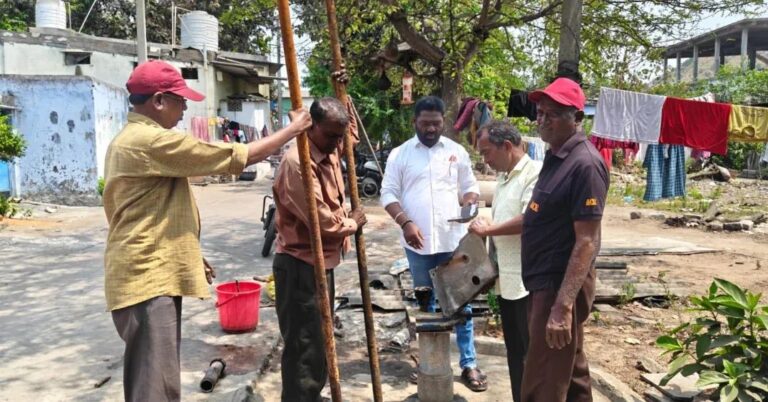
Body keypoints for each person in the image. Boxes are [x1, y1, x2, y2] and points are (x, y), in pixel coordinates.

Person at [103, 60, 311, 402]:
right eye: (179, 100)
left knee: (156, 379)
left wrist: (187, 254)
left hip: (146, 274)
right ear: (158, 100)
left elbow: (148, 214)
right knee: (154, 389)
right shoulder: (149, 141)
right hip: (145, 280)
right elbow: (232, 156)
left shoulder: (132, 140)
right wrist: (291, 131)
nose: (185, 108)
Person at [380, 96, 487, 392]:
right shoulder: (400, 155)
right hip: (417, 246)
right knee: (425, 305)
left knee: (460, 304)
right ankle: (429, 362)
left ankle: (468, 363)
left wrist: (470, 202)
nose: (430, 128)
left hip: (453, 242)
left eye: (436, 123)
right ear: (415, 121)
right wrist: (406, 223)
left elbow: (470, 188)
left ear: (443, 123)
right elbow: (387, 193)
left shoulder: (456, 152)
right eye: (425, 123)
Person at [519, 78, 609, 402]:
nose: (542, 120)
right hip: (544, 282)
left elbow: (587, 241)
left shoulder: (585, 165)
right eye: (540, 113)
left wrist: (561, 306)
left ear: (577, 117)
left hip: (558, 286)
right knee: (571, 375)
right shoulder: (555, 156)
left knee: (543, 381)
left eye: (552, 114)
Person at [272, 96, 366, 402]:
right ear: (311, 126)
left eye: (339, 136)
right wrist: (352, 223)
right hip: (300, 265)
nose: (338, 143)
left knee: (321, 341)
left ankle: (311, 396)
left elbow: (349, 137)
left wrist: (344, 97)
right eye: (331, 136)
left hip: (322, 263)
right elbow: (322, 223)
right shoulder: (298, 163)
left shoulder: (329, 142)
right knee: (304, 347)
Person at [468, 120, 541, 402]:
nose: (485, 159)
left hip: (527, 282)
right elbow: (505, 219)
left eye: (487, 152)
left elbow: (528, 220)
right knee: (515, 352)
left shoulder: (534, 174)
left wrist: (488, 229)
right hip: (507, 280)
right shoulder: (504, 176)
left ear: (507, 146)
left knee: (529, 354)